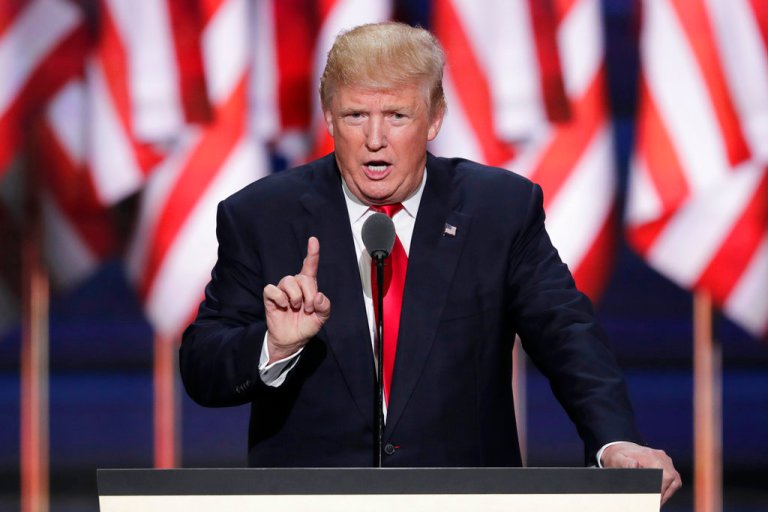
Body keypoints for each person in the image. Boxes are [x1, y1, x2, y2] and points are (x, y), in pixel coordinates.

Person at [180, 22, 681, 504]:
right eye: (356, 116)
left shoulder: (498, 210)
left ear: (435, 119)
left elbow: (567, 334)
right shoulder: (261, 215)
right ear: (329, 118)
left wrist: (614, 442)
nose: (375, 138)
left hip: (468, 499)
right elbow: (203, 367)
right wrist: (274, 346)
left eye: (397, 116)